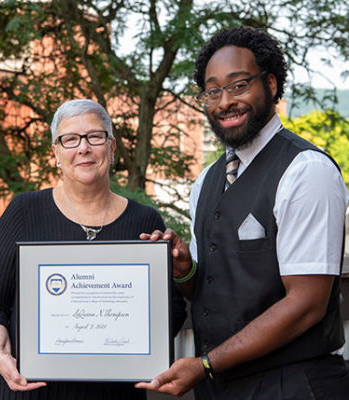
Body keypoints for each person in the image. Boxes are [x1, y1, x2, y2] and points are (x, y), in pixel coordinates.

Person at [136, 27, 349, 399]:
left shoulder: (306, 170)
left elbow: (306, 305)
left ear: (270, 83)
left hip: (292, 385)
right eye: (212, 90)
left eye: (238, 85)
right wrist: (185, 270)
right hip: (221, 387)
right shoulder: (206, 180)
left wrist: (205, 364)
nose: (224, 102)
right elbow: (206, 292)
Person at [0, 99, 186, 400]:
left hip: (114, 393)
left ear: (110, 148)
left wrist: (140, 346)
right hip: (32, 392)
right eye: (70, 139)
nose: (83, 148)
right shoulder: (24, 211)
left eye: (94, 137)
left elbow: (171, 310)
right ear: (56, 153)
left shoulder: (145, 220)